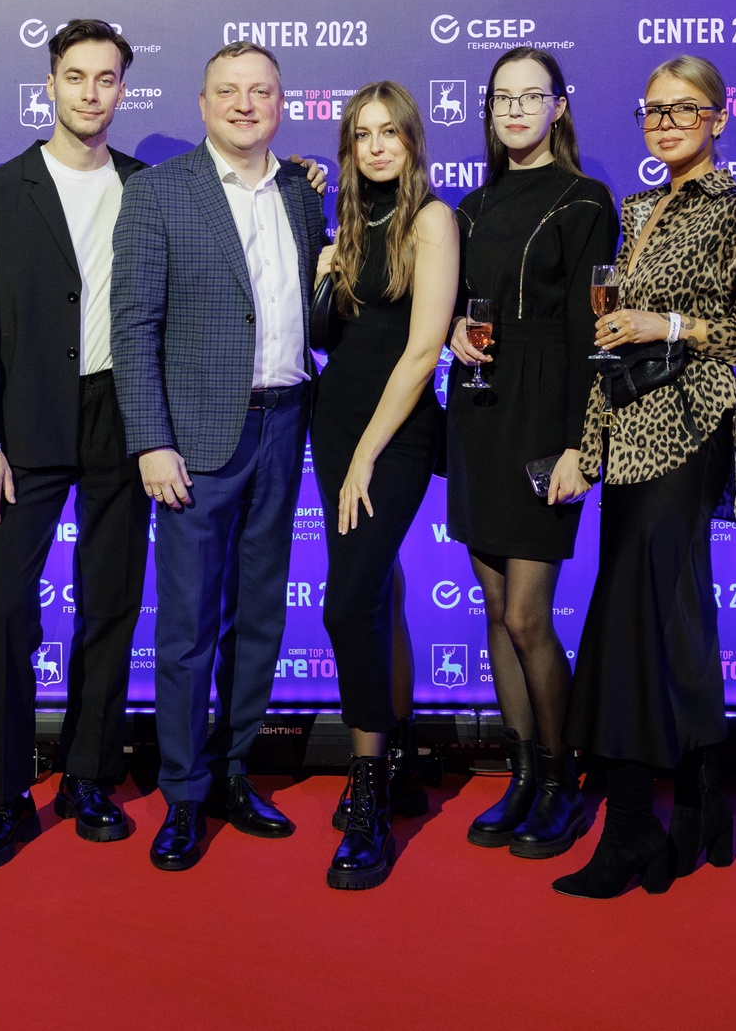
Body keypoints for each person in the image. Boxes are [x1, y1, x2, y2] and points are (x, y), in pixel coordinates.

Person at [555, 55, 736, 899]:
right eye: (653, 109)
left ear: (719, 117)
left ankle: (629, 826)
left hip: (689, 428)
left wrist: (673, 323)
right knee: (673, 618)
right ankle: (701, 800)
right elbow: (609, 341)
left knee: (629, 616)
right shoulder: (635, 209)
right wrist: (587, 446)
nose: (665, 122)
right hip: (628, 431)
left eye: (684, 108)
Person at [111, 41, 327, 871]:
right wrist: (151, 439)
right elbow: (132, 327)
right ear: (202, 104)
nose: (244, 104)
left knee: (260, 615)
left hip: (285, 424)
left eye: (260, 91)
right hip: (194, 441)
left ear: (280, 104)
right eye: (228, 91)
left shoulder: (303, 195)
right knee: (187, 625)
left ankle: (235, 770)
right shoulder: (158, 191)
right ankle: (183, 789)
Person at [0, 20, 152, 868]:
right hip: (22, 420)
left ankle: (86, 775)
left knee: (110, 604)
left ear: (121, 90)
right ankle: (7, 792)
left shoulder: (148, 187)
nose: (90, 92)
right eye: (76, 76)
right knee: (4, 612)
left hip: (122, 415)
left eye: (106, 78)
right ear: (50, 83)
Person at [444, 47, 613, 859]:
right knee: (492, 609)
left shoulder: (585, 201)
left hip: (546, 419)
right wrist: (450, 328)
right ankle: (520, 775)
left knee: (525, 614)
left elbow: (593, 334)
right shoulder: (470, 207)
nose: (514, 109)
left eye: (530, 96)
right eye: (501, 97)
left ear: (558, 106)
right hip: (477, 415)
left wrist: (584, 442)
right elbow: (449, 304)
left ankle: (560, 780)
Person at [309, 82, 457, 890]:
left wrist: (368, 452)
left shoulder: (431, 220)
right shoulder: (344, 222)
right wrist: (323, 273)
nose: (374, 146)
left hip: (392, 436)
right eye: (361, 134)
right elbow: (327, 338)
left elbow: (423, 349)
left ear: (410, 141)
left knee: (347, 603)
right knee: (379, 592)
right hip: (334, 424)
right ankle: (397, 759)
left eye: (388, 132)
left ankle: (365, 789)